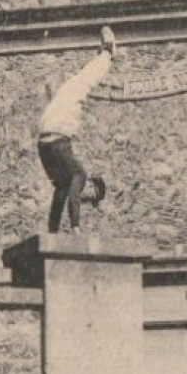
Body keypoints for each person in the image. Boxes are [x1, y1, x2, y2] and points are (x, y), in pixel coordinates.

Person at [37, 27, 115, 232]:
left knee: (62, 186)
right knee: (78, 174)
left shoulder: (64, 98)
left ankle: (52, 230)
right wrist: (106, 55)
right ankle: (75, 226)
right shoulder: (75, 89)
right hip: (55, 138)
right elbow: (91, 75)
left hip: (46, 143)